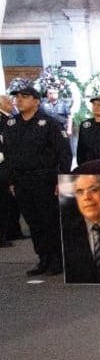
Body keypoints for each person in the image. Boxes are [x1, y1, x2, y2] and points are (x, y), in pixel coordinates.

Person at [5, 86, 72, 275]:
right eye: (17, 97)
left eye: (24, 97)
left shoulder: (49, 123)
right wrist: (11, 180)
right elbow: (9, 154)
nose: (19, 100)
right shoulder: (12, 124)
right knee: (33, 222)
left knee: (49, 220)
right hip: (21, 180)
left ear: (36, 101)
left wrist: (62, 179)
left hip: (45, 179)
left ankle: (57, 259)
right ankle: (43, 258)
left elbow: (64, 153)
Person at [0, 94, 25, 246]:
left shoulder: (10, 118)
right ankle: (2, 235)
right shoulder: (3, 119)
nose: (12, 104)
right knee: (4, 201)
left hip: (13, 163)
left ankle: (13, 230)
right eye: (9, 102)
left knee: (13, 201)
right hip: (3, 163)